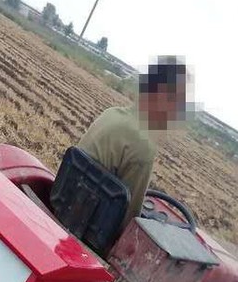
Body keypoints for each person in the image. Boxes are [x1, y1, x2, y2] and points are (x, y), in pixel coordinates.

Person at [77, 56, 188, 226]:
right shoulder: (144, 146)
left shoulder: (112, 113)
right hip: (91, 229)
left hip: (68, 203)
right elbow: (128, 218)